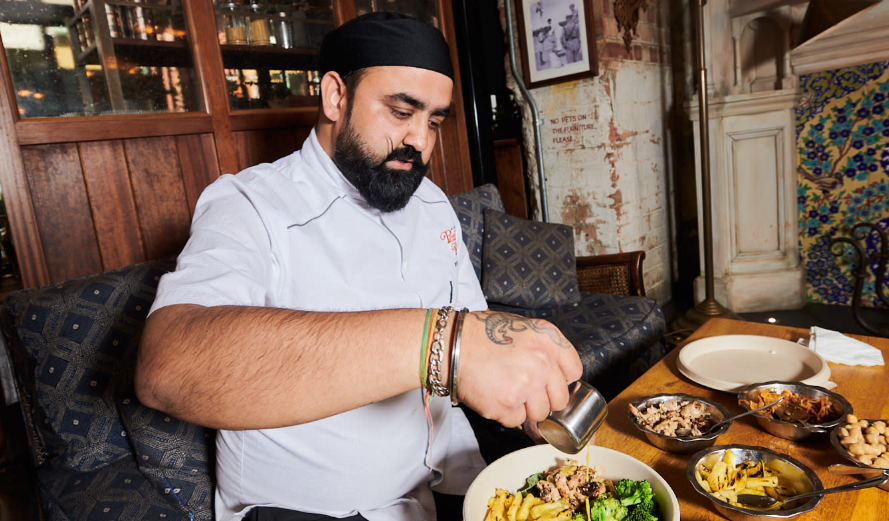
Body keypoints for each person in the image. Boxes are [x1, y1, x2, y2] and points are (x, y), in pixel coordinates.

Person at [135, 12, 582, 521]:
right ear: (335, 97)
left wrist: (527, 384)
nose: (420, 140)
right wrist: (441, 345)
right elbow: (165, 367)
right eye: (401, 111)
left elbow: (477, 332)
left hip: (447, 483)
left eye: (434, 122)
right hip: (312, 511)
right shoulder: (250, 204)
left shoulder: (433, 204)